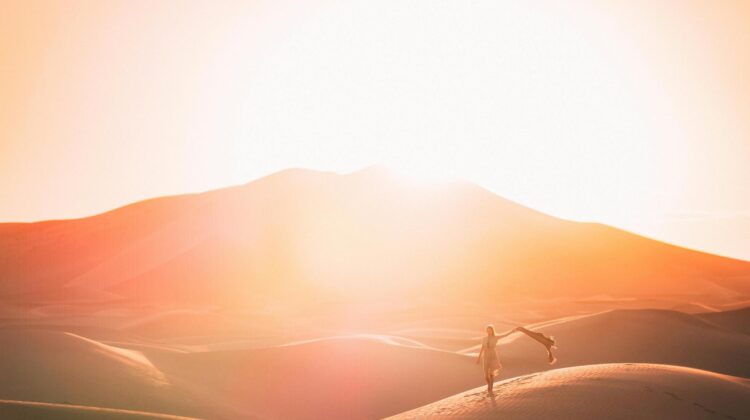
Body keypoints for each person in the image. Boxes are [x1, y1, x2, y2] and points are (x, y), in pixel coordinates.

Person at [475, 325, 515, 393]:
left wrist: (512, 331)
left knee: (491, 373)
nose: (488, 331)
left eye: (490, 330)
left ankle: (490, 387)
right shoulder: (484, 338)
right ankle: (489, 384)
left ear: (492, 330)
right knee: (486, 374)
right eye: (487, 330)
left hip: (493, 355)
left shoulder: (495, 337)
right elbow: (482, 348)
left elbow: (505, 335)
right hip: (485, 356)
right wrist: (478, 358)